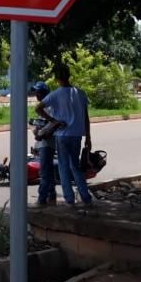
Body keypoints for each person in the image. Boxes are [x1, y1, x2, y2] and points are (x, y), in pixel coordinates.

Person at [35, 65, 93, 207]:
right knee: (75, 166)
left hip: (62, 135)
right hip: (77, 135)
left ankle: (69, 199)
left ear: (57, 78)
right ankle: (86, 198)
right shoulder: (80, 93)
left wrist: (53, 121)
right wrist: (88, 137)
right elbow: (86, 117)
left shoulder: (55, 94)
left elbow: (38, 108)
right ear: (69, 76)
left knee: (63, 167)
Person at [30, 81, 56, 206]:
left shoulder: (51, 108)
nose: (36, 95)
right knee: (47, 171)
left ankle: (42, 199)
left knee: (44, 171)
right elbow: (39, 125)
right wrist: (36, 131)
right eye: (36, 92)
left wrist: (42, 134)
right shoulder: (43, 107)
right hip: (41, 143)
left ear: (45, 93)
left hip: (47, 143)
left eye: (39, 92)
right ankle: (51, 195)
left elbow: (53, 125)